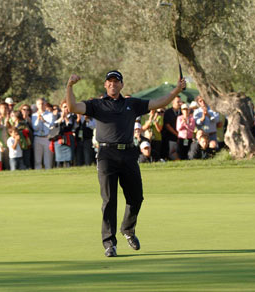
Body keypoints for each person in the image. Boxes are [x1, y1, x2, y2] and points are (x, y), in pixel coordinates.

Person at [65, 70, 186, 257]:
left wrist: (176, 90)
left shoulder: (132, 103)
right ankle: (109, 244)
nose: (113, 84)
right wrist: (70, 86)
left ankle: (128, 229)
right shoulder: (97, 104)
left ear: (122, 85)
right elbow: (73, 107)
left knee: (136, 197)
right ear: (105, 85)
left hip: (129, 153)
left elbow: (159, 102)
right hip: (106, 155)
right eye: (110, 81)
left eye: (116, 81)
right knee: (109, 200)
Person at [32, 98, 54, 169]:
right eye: (39, 104)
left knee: (48, 160)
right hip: (38, 138)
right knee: (37, 160)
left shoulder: (50, 114)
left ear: (45, 104)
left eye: (42, 104)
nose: (41, 105)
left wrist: (44, 121)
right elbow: (35, 128)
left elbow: (51, 126)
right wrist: (38, 119)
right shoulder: (34, 115)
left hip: (47, 138)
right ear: (37, 105)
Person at [53, 101, 76, 168]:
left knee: (69, 158)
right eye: (64, 107)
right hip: (59, 139)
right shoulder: (57, 115)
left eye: (67, 107)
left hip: (68, 138)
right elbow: (55, 125)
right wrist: (61, 118)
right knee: (59, 159)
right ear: (61, 108)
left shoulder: (72, 116)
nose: (66, 108)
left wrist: (65, 117)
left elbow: (70, 126)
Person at [162, 96, 181, 160]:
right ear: (173, 102)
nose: (179, 103)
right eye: (178, 102)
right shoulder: (168, 112)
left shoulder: (182, 112)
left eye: (180, 102)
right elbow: (167, 125)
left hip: (181, 137)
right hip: (171, 137)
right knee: (172, 153)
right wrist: (176, 134)